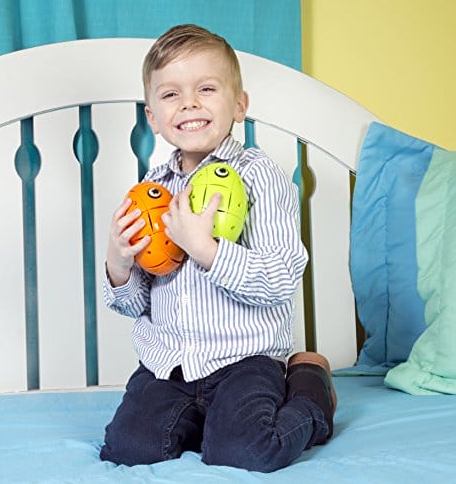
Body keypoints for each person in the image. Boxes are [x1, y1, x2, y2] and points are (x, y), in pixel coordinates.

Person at [100, 24, 337, 473]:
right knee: (127, 449)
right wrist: (119, 263)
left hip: (243, 361)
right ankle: (209, 422)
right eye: (171, 94)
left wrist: (206, 250)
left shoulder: (258, 175)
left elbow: (281, 277)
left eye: (206, 88)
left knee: (245, 452)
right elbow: (135, 305)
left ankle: (310, 386)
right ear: (153, 118)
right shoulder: (152, 190)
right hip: (168, 364)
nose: (189, 103)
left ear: (239, 105)